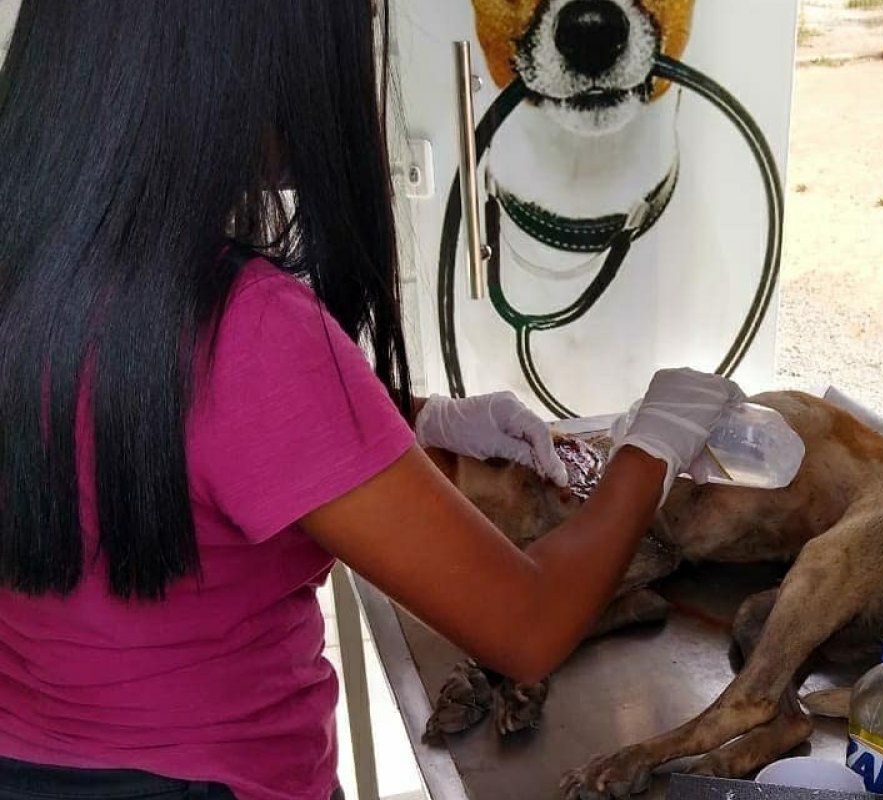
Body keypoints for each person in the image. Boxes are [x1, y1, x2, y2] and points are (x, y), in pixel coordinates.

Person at [0, 3, 745, 800]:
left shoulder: (36, 257)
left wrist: (415, 416)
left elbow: (129, 411)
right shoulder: (245, 327)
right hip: (211, 781)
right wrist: (653, 444)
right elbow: (528, 625)